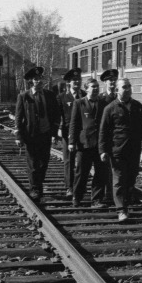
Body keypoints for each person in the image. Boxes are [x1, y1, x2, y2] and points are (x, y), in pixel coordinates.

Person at [99, 78, 142, 222]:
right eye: (124, 87)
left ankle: (126, 204)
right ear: (117, 90)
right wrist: (103, 150)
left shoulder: (137, 106)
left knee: (131, 178)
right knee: (119, 180)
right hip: (117, 150)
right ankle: (121, 210)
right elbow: (103, 131)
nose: (128, 89)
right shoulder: (110, 108)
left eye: (129, 86)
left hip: (134, 150)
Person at [14, 66, 61, 202]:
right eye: (35, 79)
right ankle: (35, 189)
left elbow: (56, 114)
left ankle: (38, 184)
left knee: (43, 163)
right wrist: (18, 136)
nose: (38, 81)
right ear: (31, 81)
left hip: (45, 134)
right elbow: (18, 117)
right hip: (31, 135)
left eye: (40, 78)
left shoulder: (50, 95)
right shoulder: (24, 96)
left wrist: (54, 132)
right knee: (33, 163)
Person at [69, 78, 110, 207]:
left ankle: (97, 199)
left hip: (100, 144)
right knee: (81, 172)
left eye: (97, 86)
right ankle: (77, 197)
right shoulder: (79, 103)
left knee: (101, 173)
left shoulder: (104, 103)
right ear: (86, 89)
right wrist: (72, 142)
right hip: (84, 144)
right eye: (93, 87)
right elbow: (74, 124)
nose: (96, 89)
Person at [59, 68, 84, 198]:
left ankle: (79, 187)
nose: (77, 82)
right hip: (67, 134)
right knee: (69, 161)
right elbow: (58, 116)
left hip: (82, 134)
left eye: (79, 79)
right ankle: (69, 187)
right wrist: (57, 131)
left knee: (82, 162)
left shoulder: (85, 95)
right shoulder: (62, 97)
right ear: (69, 82)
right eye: (74, 80)